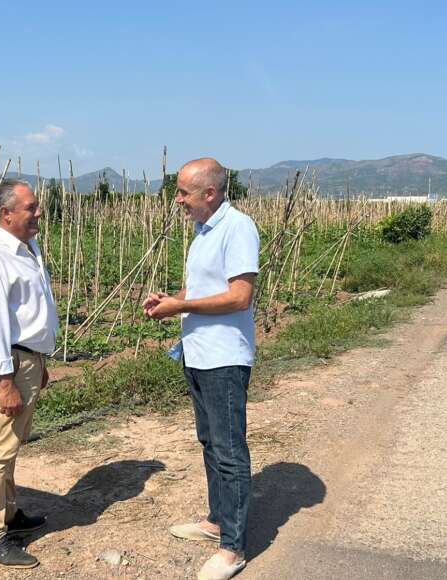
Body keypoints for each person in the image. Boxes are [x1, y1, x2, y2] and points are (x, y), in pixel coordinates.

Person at [143, 158, 259, 580]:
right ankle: (216, 521)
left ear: (210, 193)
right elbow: (202, 289)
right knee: (210, 442)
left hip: (224, 358)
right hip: (198, 353)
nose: (177, 200)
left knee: (229, 451)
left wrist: (183, 305)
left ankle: (233, 548)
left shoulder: (237, 228)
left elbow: (240, 297)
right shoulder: (203, 230)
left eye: (183, 192)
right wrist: (171, 300)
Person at [0, 179, 59, 569]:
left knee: (12, 444)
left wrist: (41, 363)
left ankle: (10, 514)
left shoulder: (28, 248)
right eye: (30, 208)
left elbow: (28, 313)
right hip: (11, 366)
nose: (38, 213)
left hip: (28, 361)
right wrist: (5, 382)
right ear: (6, 214)